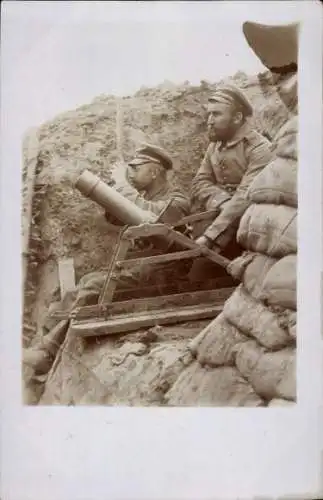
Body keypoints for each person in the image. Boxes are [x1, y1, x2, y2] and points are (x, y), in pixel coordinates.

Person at [76, 143, 191, 305]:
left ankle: (66, 330)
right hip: (142, 266)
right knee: (86, 280)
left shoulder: (178, 200)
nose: (131, 174)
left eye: (136, 169)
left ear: (154, 172)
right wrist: (110, 193)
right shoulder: (143, 198)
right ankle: (55, 329)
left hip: (164, 271)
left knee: (92, 287)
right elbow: (114, 218)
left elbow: (153, 217)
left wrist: (123, 186)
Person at [191, 84, 273, 253]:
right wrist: (222, 200)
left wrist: (209, 237)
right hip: (222, 220)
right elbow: (200, 181)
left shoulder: (260, 149)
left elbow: (245, 196)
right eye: (209, 114)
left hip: (251, 227)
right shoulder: (215, 145)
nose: (209, 121)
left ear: (237, 117)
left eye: (216, 114)